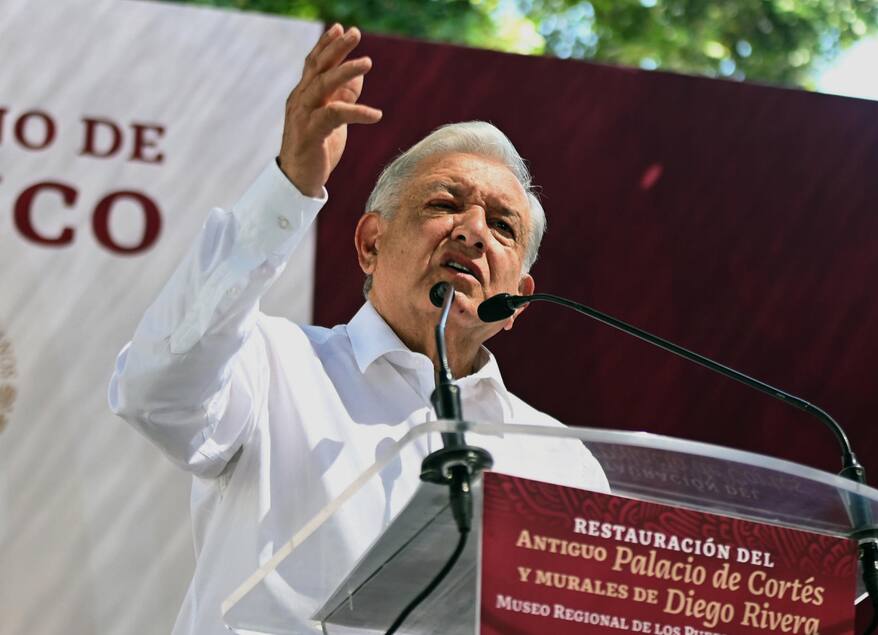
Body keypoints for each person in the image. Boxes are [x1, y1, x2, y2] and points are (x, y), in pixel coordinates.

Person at [109, 24, 607, 635]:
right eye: (444, 204)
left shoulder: (562, 461)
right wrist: (290, 186)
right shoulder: (272, 363)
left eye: (502, 227)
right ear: (371, 243)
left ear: (520, 300)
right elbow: (154, 392)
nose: (473, 231)